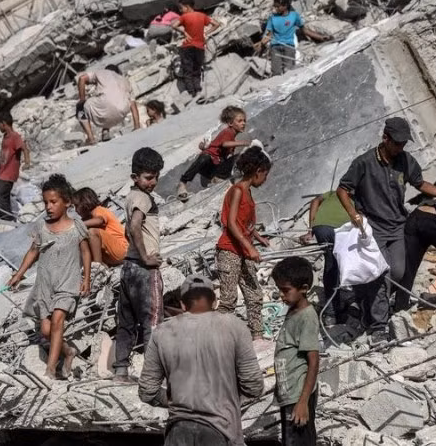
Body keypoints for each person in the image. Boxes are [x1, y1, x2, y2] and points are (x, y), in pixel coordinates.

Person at [336, 117, 436, 343]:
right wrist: (354, 214)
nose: (400, 147)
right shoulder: (364, 163)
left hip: (397, 225)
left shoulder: (406, 160)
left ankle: (364, 302)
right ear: (385, 138)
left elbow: (421, 184)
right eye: (397, 143)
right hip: (373, 227)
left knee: (398, 271)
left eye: (404, 143)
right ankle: (378, 326)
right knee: (382, 273)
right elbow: (342, 190)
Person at [138, 275, 264, 446]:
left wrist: (180, 401)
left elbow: (147, 391)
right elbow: (254, 385)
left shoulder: (162, 332)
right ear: (214, 302)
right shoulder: (235, 327)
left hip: (178, 431)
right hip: (221, 431)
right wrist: (226, 402)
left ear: (182, 304)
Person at [7, 174, 91, 380]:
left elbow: (86, 252)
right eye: (46, 202)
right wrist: (19, 273)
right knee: (45, 330)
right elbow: (33, 251)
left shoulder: (76, 226)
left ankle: (50, 370)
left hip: (68, 282)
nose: (49, 207)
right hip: (45, 284)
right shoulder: (42, 228)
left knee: (57, 321)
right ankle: (68, 351)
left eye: (53, 202)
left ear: (67, 202)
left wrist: (86, 278)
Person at [114, 147, 165, 382]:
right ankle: (152, 376)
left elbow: (128, 230)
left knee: (125, 321)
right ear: (135, 177)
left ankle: (121, 370)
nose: (153, 182)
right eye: (148, 177)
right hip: (145, 270)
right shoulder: (143, 198)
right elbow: (134, 227)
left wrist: (136, 251)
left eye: (156, 176)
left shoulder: (131, 196)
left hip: (128, 267)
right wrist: (146, 257)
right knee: (152, 321)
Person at [215, 146, 271, 340]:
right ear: (258, 172)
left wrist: (257, 237)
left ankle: (258, 336)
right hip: (230, 250)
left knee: (254, 294)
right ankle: (219, 339)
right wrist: (250, 247)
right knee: (229, 299)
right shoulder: (237, 190)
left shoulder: (248, 192)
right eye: (265, 175)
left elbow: (243, 222)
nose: (265, 180)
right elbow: (231, 223)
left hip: (243, 250)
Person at [272, 256, 320, 446]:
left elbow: (314, 361)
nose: (281, 295)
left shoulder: (307, 316)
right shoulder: (293, 311)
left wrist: (302, 402)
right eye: (279, 290)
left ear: (304, 288)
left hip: (298, 396)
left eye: (286, 290)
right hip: (289, 394)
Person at [176, 106, 252, 202]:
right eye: (240, 121)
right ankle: (182, 183)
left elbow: (227, 154)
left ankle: (218, 178)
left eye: (244, 120)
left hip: (216, 167)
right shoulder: (227, 132)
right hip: (208, 165)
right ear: (230, 123)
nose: (243, 123)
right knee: (205, 157)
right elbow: (225, 144)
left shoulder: (232, 138)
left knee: (238, 157)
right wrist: (244, 143)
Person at [300, 191, 352, 325]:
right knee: (351, 265)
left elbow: (315, 201)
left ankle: (330, 314)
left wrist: (311, 229)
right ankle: (358, 307)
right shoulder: (359, 195)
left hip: (321, 228)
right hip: (341, 229)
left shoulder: (332, 193)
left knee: (331, 266)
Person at [254, 0, 330, 75]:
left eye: (278, 6)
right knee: (276, 72)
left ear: (285, 6)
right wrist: (261, 43)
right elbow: (269, 35)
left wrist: (320, 37)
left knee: (289, 71)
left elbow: (304, 30)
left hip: (288, 46)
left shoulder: (294, 16)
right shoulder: (272, 18)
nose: (275, 8)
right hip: (275, 48)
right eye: (274, 6)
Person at [77, 65, 141, 145]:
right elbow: (133, 105)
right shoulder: (125, 80)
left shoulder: (101, 73)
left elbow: (81, 79)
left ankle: (90, 138)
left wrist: (82, 100)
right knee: (106, 101)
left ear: (107, 70)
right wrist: (137, 126)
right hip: (121, 114)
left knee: (80, 107)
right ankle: (105, 131)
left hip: (105, 108)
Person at [171, 0, 221, 97]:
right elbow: (217, 24)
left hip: (187, 47)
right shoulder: (202, 15)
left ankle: (190, 93)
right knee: (197, 69)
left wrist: (184, 32)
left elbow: (174, 25)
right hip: (200, 47)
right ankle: (198, 90)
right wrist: (205, 33)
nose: (180, 11)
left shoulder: (184, 17)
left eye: (181, 8)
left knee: (187, 70)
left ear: (187, 6)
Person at [72, 187, 128, 266]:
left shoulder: (98, 210)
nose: (75, 210)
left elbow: (99, 220)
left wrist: (78, 224)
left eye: (76, 206)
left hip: (121, 250)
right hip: (111, 256)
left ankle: (98, 267)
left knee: (92, 232)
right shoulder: (89, 217)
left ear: (84, 203)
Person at [0, 111, 30, 221]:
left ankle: (8, 220)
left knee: (0, 197)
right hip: (2, 173)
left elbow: (24, 148)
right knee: (1, 198)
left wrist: (27, 162)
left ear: (4, 123)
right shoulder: (6, 136)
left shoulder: (15, 136)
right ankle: (5, 218)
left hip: (8, 174)